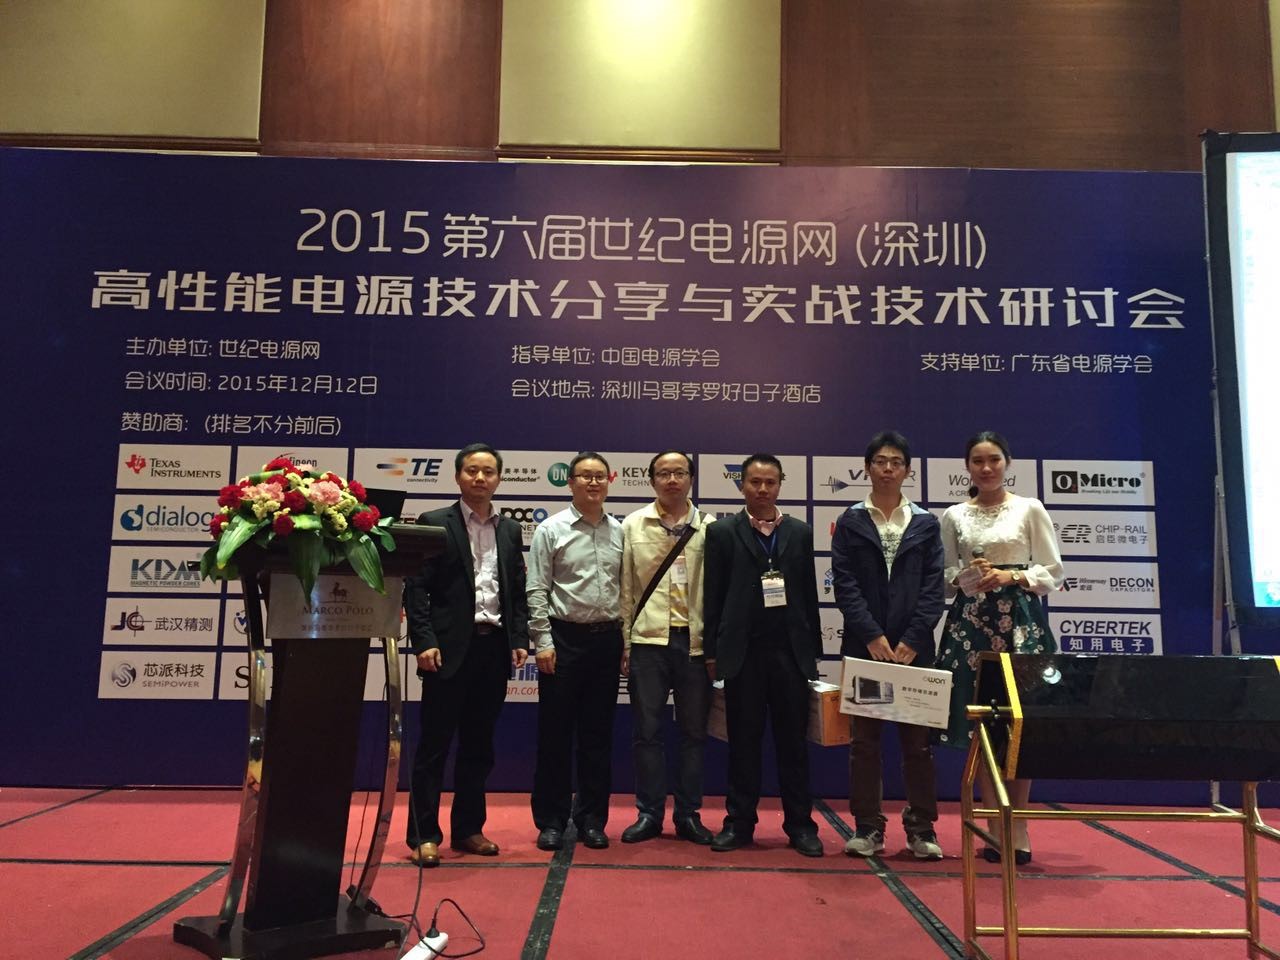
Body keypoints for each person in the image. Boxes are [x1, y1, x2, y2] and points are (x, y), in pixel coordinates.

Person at [935, 430, 1064, 865]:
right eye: (977, 461)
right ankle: (993, 827)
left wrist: (1012, 576)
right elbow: (944, 579)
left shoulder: (1029, 508)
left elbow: (1052, 571)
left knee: (1019, 725)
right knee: (983, 728)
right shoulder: (954, 515)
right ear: (967, 467)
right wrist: (969, 576)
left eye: (993, 459)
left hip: (1020, 625)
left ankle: (1019, 826)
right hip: (970, 627)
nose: (986, 468)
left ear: (1007, 462)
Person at [404, 443, 530, 867]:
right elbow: (416, 589)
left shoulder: (509, 529)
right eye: (472, 470)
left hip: (493, 648)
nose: (480, 478)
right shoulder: (434, 523)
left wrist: (519, 637)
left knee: (479, 746)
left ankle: (468, 829)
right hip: (445, 650)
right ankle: (424, 835)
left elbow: (514, 590)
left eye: (488, 471)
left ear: (499, 479)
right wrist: (423, 640)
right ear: (458, 476)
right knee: (434, 747)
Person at [831, 431, 946, 860]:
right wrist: (872, 636)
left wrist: (913, 639)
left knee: (918, 746)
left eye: (896, 462)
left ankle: (921, 829)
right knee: (865, 744)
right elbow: (845, 585)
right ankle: (868, 828)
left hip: (914, 653)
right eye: (880, 461)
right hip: (867, 650)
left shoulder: (925, 523)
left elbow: (934, 587)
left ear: (908, 471)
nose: (887, 469)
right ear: (867, 468)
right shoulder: (851, 521)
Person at [703, 454, 824, 857]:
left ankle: (801, 825)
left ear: (780, 485)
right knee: (743, 744)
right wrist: (712, 652)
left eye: (770, 482)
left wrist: (812, 652)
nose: (762, 489)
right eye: (754, 482)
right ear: (742, 485)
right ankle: (739, 824)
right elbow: (712, 596)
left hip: (790, 654)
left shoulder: (800, 532)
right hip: (743, 655)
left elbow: (809, 594)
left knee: (794, 746)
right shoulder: (721, 532)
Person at [527, 452, 625, 851]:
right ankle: (551, 820)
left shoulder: (620, 531)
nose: (593, 482)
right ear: (570, 483)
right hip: (563, 640)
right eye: (584, 476)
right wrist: (543, 642)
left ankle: (592, 820)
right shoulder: (550, 529)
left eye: (599, 476)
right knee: (555, 735)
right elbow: (537, 588)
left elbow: (627, 592)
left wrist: (625, 641)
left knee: (598, 736)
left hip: (607, 641)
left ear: (609, 481)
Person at [619, 451, 714, 845]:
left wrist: (713, 647)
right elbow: (626, 588)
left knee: (693, 734)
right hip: (648, 642)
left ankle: (688, 814)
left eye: (679, 472)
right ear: (652, 480)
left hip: (694, 643)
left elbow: (717, 593)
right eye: (663, 473)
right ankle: (649, 814)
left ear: (691, 478)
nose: (672, 479)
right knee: (647, 732)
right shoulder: (633, 525)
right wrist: (625, 642)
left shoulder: (709, 527)